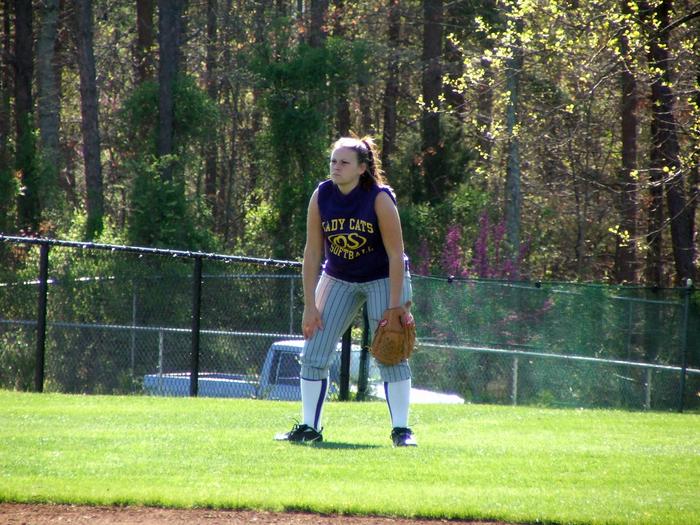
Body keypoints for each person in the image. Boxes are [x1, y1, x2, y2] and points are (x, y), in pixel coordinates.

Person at [275, 136, 417, 447]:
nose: (336, 167)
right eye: (333, 161)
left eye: (344, 162)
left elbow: (396, 255)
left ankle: (402, 431)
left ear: (362, 168)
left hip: (383, 277)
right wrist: (309, 305)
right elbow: (313, 252)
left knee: (391, 350)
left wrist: (395, 306)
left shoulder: (379, 198)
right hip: (339, 276)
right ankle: (309, 427)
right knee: (313, 351)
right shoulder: (322, 195)